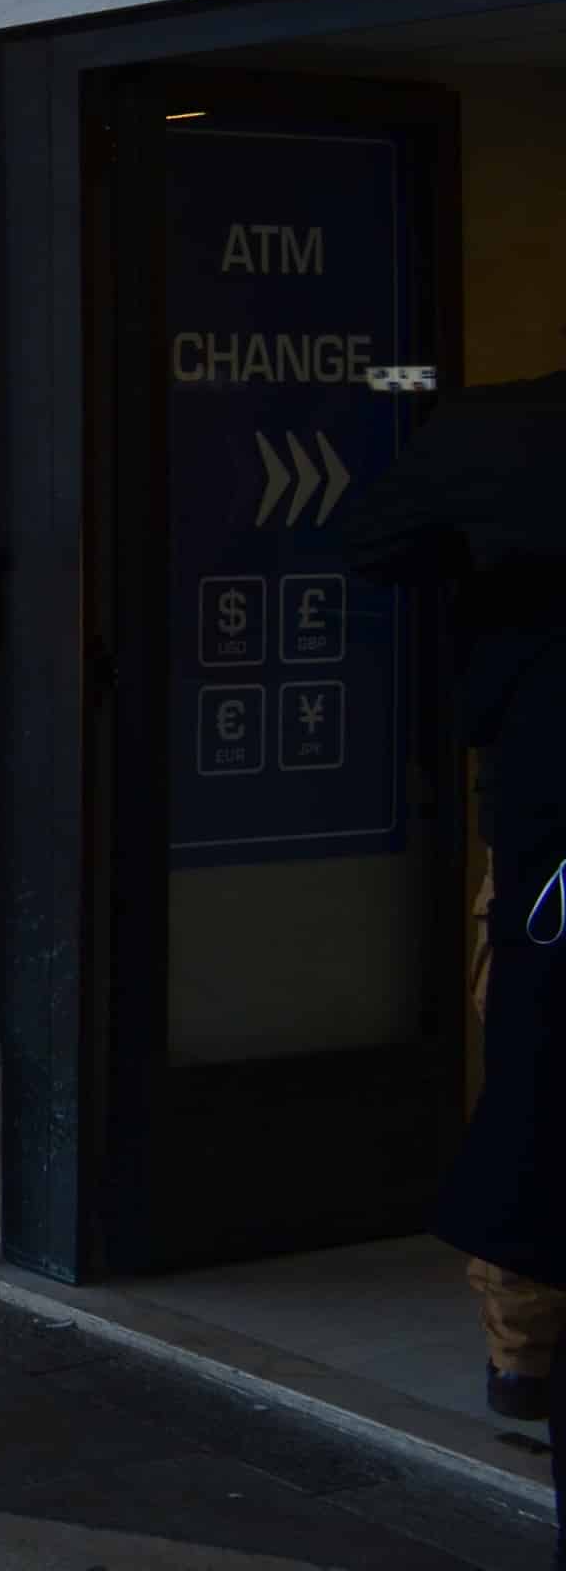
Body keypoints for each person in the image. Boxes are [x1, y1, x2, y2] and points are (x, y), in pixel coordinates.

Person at [343, 365, 566, 1465]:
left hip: (546, 813)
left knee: (532, 1077)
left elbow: (375, 543)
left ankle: (525, 1344)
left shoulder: (503, 429)